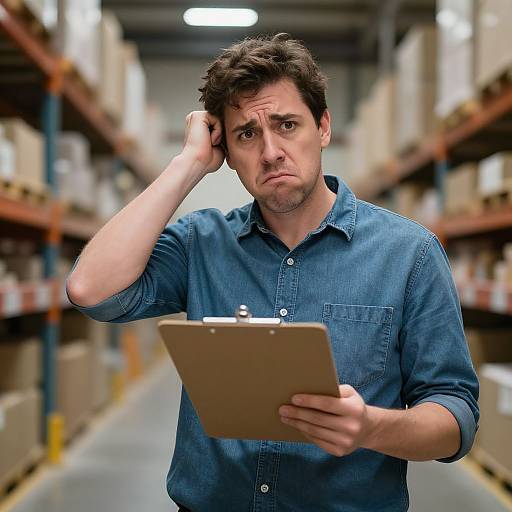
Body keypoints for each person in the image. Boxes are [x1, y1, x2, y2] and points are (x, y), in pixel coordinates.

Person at [66, 33, 479, 512]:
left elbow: (456, 416)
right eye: (246, 134)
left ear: (323, 127)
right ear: (225, 148)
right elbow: (90, 290)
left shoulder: (410, 254)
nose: (270, 152)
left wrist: (371, 427)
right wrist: (188, 163)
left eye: (287, 125)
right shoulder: (202, 243)